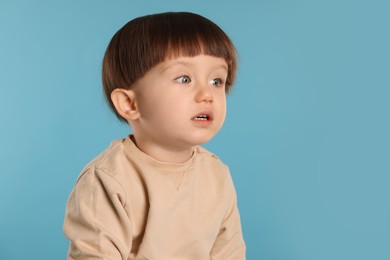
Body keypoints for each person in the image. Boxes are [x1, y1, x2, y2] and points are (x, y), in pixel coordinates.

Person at [63, 11, 246, 260]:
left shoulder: (217, 175)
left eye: (217, 81)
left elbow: (230, 253)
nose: (207, 94)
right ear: (130, 103)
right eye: (184, 78)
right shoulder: (108, 180)